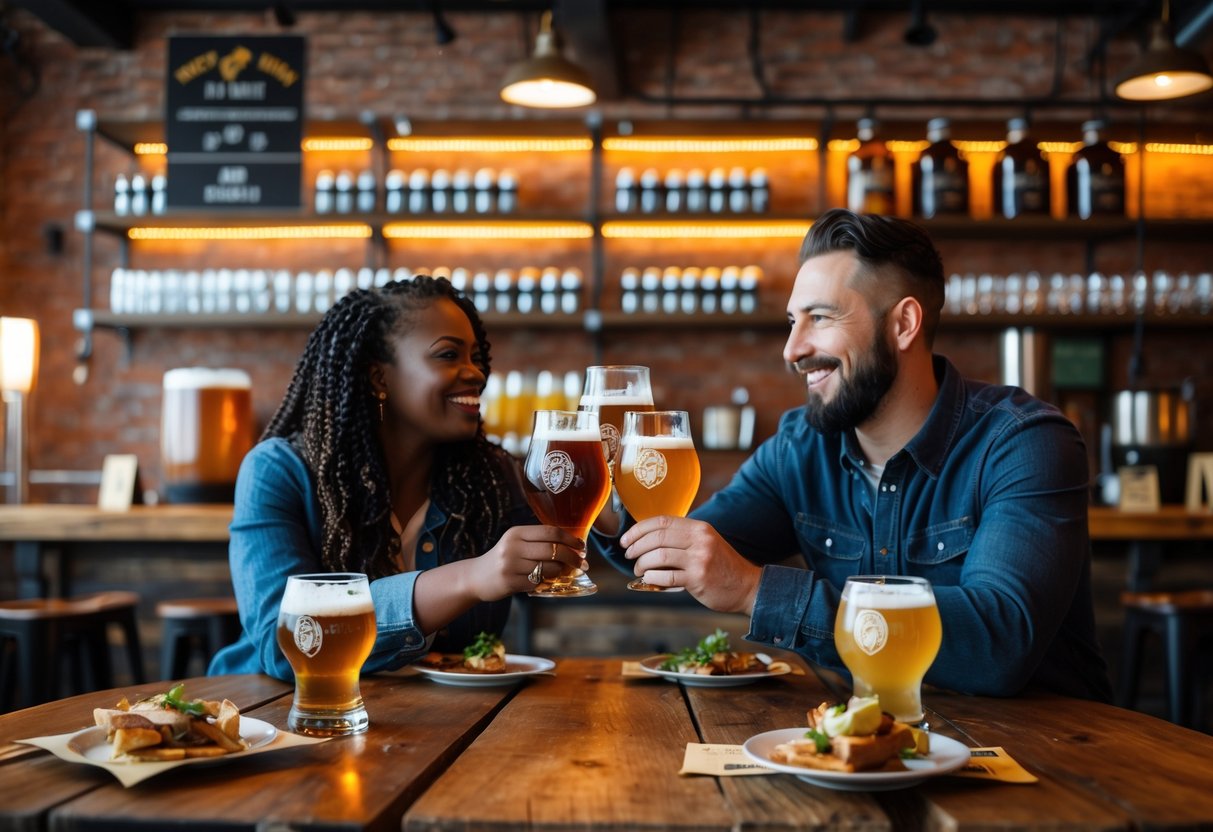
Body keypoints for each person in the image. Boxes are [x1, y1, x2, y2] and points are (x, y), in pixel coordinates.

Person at [606, 209, 1113, 702]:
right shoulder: (799, 450)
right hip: (861, 748)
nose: (792, 349)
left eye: (820, 318)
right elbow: (678, 554)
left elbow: (998, 642)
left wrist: (755, 592)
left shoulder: (1024, 442)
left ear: (904, 324)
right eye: (791, 321)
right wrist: (606, 501)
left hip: (1045, 759)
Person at [209, 276, 584, 681]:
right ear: (379, 378)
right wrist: (470, 577)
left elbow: (573, 556)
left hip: (441, 727)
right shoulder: (277, 471)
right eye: (448, 355)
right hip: (275, 716)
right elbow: (284, 642)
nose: (475, 372)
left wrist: (604, 506)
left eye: (476, 356)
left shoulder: (490, 477)